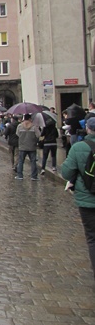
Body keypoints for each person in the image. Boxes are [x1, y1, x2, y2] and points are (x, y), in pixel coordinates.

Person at [61, 116, 95, 280]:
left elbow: (66, 173)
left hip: (87, 199)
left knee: (92, 237)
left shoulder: (78, 147)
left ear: (88, 129)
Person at [15, 113, 40, 180]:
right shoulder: (34, 126)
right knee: (33, 161)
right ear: (30, 119)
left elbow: (17, 134)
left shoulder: (20, 126)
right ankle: (33, 176)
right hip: (32, 147)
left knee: (21, 161)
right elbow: (38, 135)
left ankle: (20, 175)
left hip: (22, 146)